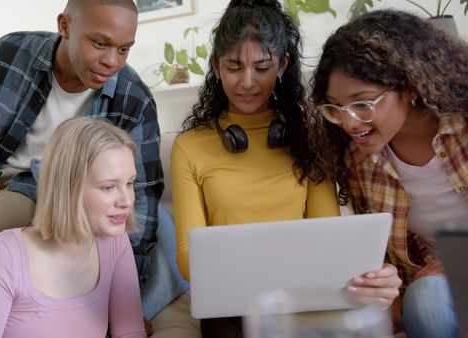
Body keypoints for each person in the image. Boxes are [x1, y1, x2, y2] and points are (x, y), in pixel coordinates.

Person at [0, 1, 165, 337]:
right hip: (1, 177)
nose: (111, 61)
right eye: (99, 44)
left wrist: (129, 302)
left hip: (51, 187)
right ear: (65, 26)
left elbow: (142, 196)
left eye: (124, 49)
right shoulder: (9, 53)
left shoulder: (133, 97)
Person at [169, 1, 402, 337]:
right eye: (234, 67)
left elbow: (326, 238)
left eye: (262, 67)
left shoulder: (311, 139)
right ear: (215, 67)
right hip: (233, 309)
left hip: (308, 302)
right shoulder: (188, 147)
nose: (247, 82)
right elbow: (189, 261)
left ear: (283, 65)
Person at [309, 9, 468, 338]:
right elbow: (384, 262)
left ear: (409, 87)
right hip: (434, 294)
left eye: (362, 103)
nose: (349, 122)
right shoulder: (359, 160)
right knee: (426, 301)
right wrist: (381, 291)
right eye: (335, 108)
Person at [0, 117, 146, 338]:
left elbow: (131, 333)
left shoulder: (115, 243)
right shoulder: (2, 256)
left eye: (129, 183)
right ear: (68, 188)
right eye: (109, 187)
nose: (127, 200)